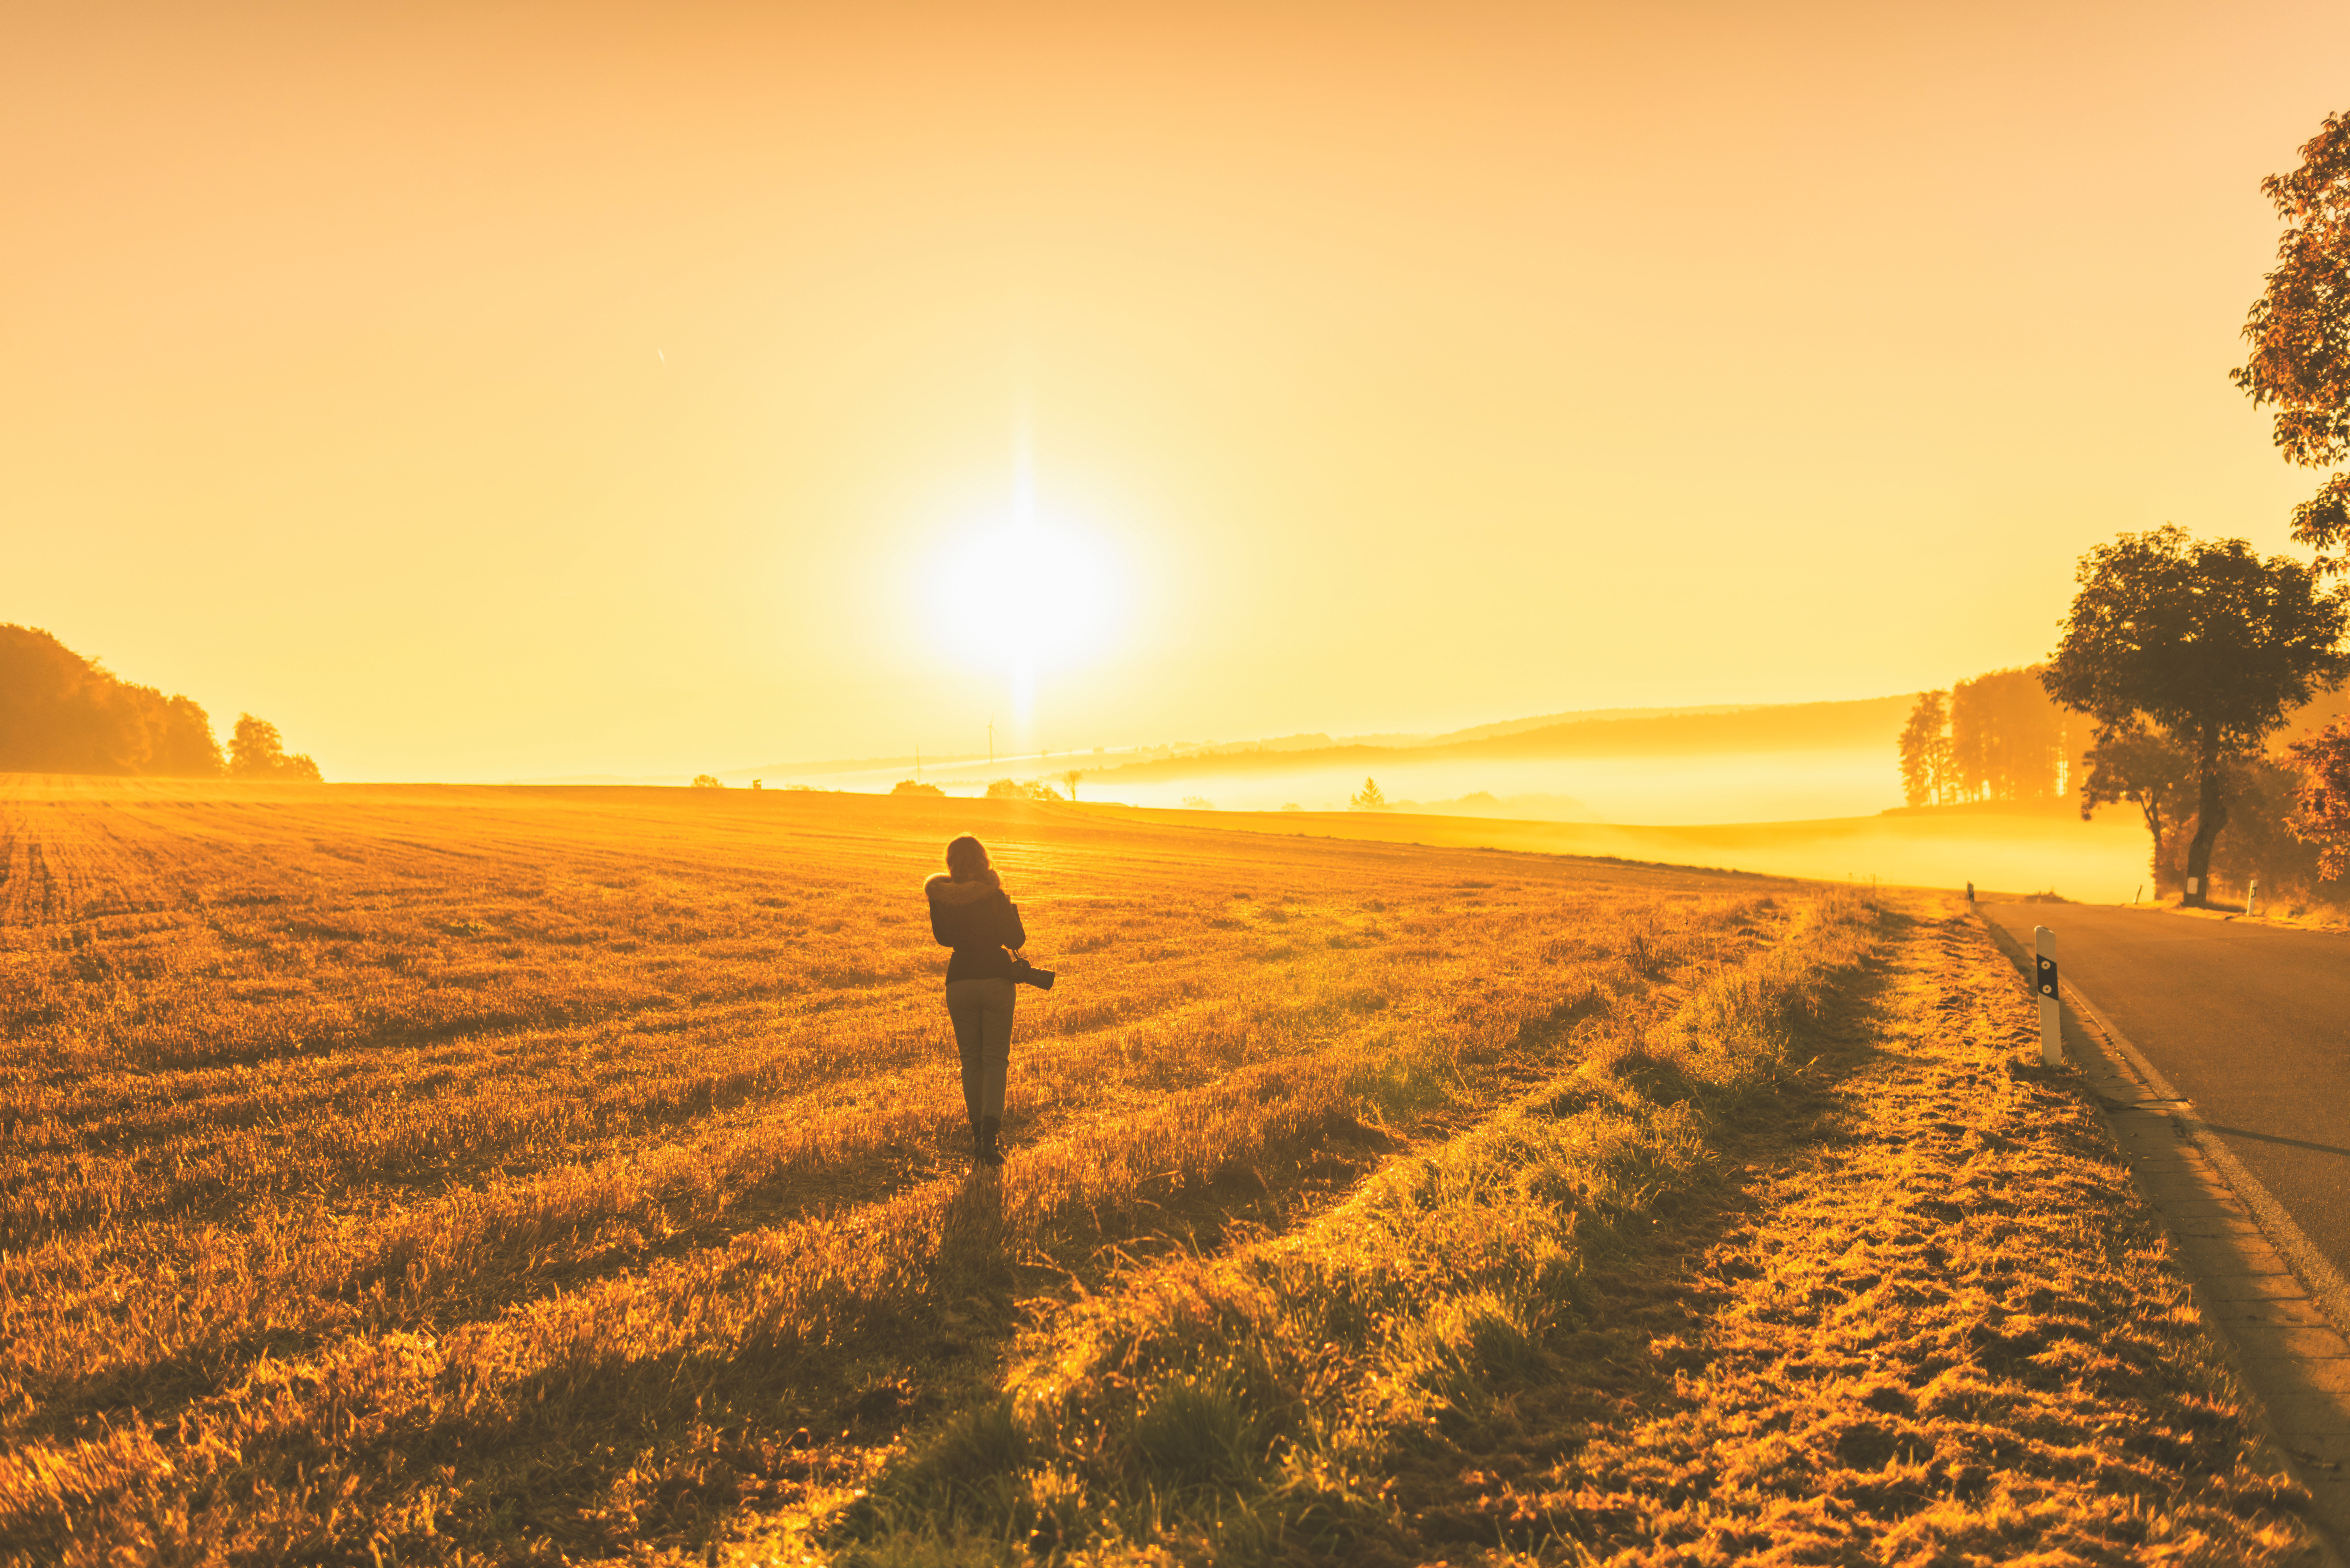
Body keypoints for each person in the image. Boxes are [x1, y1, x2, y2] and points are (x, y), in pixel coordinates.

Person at [926, 834, 1026, 1166]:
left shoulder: (940, 897)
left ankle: (975, 1135)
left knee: (971, 1060)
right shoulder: (994, 895)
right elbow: (1015, 939)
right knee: (995, 1060)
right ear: (984, 860)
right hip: (996, 979)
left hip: (960, 981)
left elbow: (943, 939)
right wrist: (1009, 910)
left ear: (950, 862)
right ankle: (989, 1141)